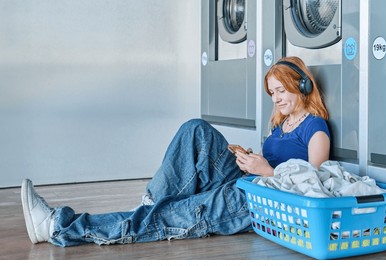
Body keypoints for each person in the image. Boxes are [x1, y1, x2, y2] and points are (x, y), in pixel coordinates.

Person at [21, 56, 331, 247]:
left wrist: (266, 171)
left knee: (164, 218)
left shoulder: (315, 129)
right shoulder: (282, 123)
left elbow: (313, 187)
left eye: (280, 91)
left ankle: (57, 225)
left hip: (257, 202)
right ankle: (150, 203)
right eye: (272, 92)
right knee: (196, 129)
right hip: (248, 180)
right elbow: (272, 162)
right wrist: (247, 158)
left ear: (301, 86)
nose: (275, 99)